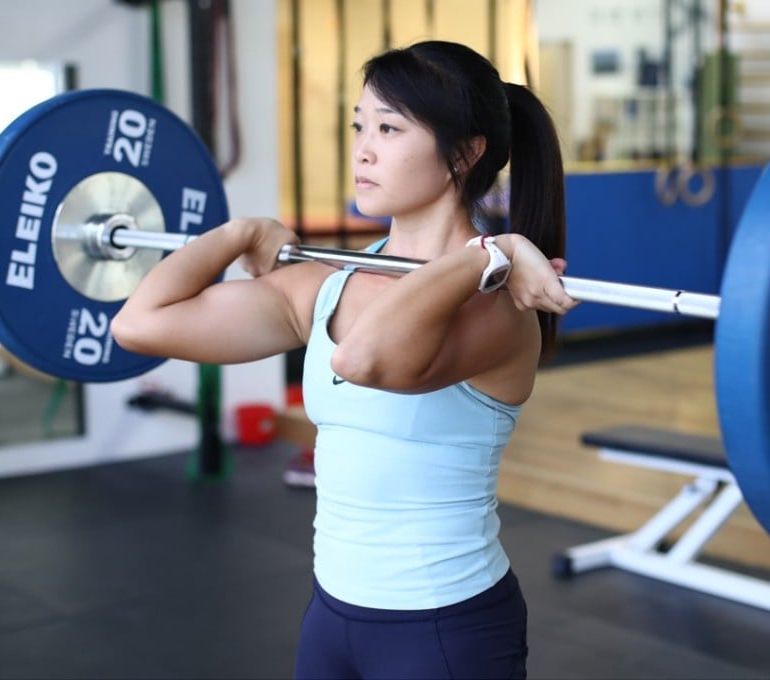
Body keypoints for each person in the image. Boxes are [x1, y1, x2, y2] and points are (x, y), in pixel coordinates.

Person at [111, 39, 577, 680]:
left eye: (389, 128)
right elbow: (139, 323)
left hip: (445, 629)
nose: (362, 148)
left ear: (465, 154)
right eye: (359, 125)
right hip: (331, 617)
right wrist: (239, 233)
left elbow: (365, 359)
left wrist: (485, 257)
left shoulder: (499, 308)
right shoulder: (327, 284)